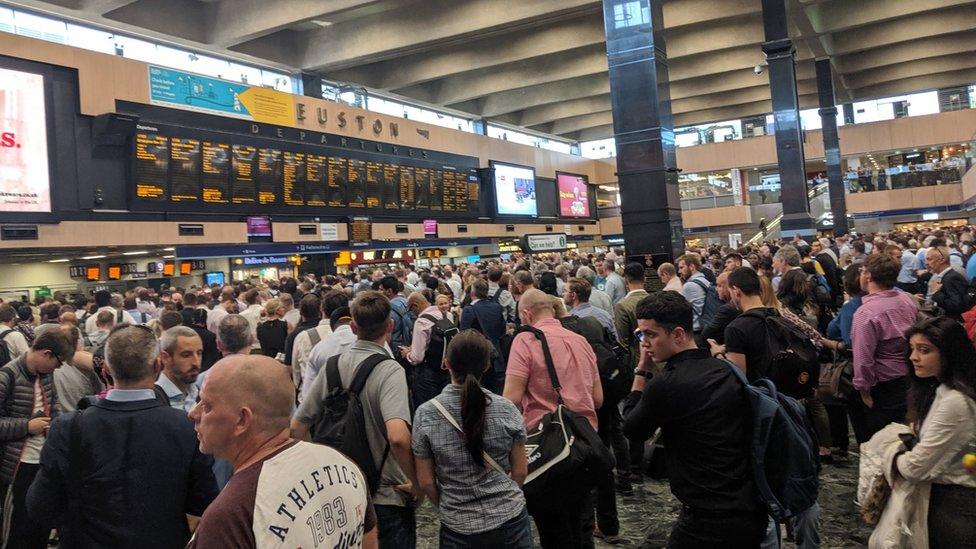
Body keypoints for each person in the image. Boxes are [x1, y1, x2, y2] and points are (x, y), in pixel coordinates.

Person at [27, 325, 217, 548]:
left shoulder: (69, 428)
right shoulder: (186, 428)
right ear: (158, 365)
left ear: (106, 369)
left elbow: (40, 506)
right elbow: (205, 503)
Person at [622, 291, 767, 547]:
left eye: (651, 334)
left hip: (706, 517)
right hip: (750, 506)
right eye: (640, 335)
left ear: (677, 334)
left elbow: (632, 428)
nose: (644, 343)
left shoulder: (666, 384)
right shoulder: (724, 368)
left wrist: (642, 370)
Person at [188, 354, 377, 548]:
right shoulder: (344, 465)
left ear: (242, 420)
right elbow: (368, 541)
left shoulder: (231, 514)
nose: (193, 413)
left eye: (207, 406)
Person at [292, 291, 421, 549]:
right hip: (385, 493)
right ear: (390, 326)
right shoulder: (389, 369)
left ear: (353, 327)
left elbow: (297, 426)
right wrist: (417, 484)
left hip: (342, 491)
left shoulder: (332, 366)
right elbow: (397, 436)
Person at [412, 330, 531, 548]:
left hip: (457, 526)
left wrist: (448, 505)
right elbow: (521, 470)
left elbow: (427, 481)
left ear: (446, 363)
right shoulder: (506, 409)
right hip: (510, 519)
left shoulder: (426, 413)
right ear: (486, 366)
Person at [503, 289, 602, 548]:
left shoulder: (525, 340)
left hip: (548, 448)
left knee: (553, 527)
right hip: (585, 443)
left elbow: (511, 398)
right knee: (582, 524)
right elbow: (598, 398)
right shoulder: (580, 340)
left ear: (526, 314)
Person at [892, 317, 976, 546]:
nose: (913, 357)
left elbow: (915, 468)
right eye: (912, 349)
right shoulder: (940, 390)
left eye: (924, 350)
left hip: (955, 507)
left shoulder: (956, 402)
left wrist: (891, 454)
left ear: (949, 353)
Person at [0, 328, 73, 548]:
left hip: (44, 462)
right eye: (58, 363)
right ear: (47, 354)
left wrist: (56, 428)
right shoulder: (7, 376)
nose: (58, 369)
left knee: (40, 525)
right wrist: (26, 426)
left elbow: (55, 405)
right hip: (16, 468)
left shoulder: (46, 374)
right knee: (17, 530)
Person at [851, 253, 918, 443]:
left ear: (869, 276)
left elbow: (863, 358)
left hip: (883, 387)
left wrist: (863, 389)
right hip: (908, 377)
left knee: (883, 442)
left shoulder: (866, 314)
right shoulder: (907, 300)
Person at [402, 292, 454, 407]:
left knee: (428, 408)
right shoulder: (447, 315)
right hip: (446, 370)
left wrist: (407, 354)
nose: (412, 313)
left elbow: (417, 358)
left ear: (415, 305)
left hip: (428, 375)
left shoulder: (421, 322)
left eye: (411, 309)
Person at [459, 280, 507, 394]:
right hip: (497, 358)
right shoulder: (497, 307)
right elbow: (502, 331)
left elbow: (464, 336)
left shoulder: (469, 310)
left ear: (472, 293)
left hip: (477, 361)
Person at [52, 324, 104, 413]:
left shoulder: (50, 364)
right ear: (77, 342)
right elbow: (101, 393)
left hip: (59, 417)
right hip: (83, 416)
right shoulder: (85, 362)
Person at [156, 326, 203, 412]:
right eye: (186, 355)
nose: (196, 363)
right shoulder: (154, 401)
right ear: (165, 358)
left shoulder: (199, 394)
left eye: (199, 353)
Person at [926, 244, 969, 321]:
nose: (927, 263)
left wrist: (936, 293)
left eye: (929, 259)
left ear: (942, 260)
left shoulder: (951, 278)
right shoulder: (947, 276)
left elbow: (957, 306)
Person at [700, 271, 740, 345]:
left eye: (719, 285)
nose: (716, 289)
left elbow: (706, 335)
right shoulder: (737, 305)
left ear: (729, 287)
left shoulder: (728, 309)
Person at [677, 253, 710, 334]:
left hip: (696, 330)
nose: (679, 271)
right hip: (706, 326)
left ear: (691, 267)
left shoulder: (689, 285)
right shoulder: (704, 280)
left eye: (682, 267)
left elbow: (679, 309)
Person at [187, 308, 220, 373]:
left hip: (189, 366)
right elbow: (215, 356)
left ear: (193, 318)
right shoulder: (211, 335)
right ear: (206, 319)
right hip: (206, 368)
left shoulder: (186, 333)